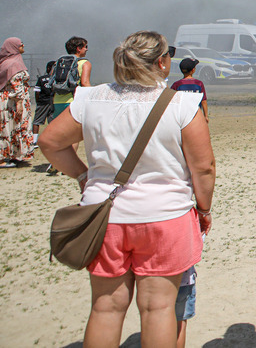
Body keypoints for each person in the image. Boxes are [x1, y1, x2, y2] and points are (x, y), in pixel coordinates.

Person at [39, 30, 215, 347]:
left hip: (104, 217)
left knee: (105, 308)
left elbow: (50, 142)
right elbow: (203, 168)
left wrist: (83, 176)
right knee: (158, 309)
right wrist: (203, 209)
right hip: (165, 217)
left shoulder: (91, 99)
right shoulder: (182, 104)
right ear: (161, 63)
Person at [48, 36, 91, 175]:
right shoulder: (84, 63)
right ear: (79, 48)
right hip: (73, 100)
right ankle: (67, 165)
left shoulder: (58, 62)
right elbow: (85, 83)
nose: (87, 49)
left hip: (57, 101)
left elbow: (52, 80)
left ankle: (56, 161)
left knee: (61, 134)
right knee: (74, 135)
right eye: (85, 46)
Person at [1, 37, 34, 167]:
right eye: (20, 44)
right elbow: (16, 84)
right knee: (10, 127)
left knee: (13, 127)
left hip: (9, 100)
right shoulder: (14, 64)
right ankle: (3, 158)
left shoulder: (6, 62)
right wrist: (19, 103)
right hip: (13, 101)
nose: (23, 46)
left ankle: (14, 154)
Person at [32, 60, 57, 147]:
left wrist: (38, 101)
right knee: (53, 122)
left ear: (48, 68)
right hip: (53, 102)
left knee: (37, 121)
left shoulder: (41, 79)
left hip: (42, 102)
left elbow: (37, 92)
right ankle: (52, 140)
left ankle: (34, 141)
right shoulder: (56, 79)